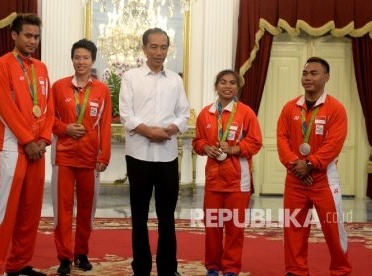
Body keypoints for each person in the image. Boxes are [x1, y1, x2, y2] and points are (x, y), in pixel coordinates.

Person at [0, 13, 53, 276]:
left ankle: (19, 264)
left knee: (31, 210)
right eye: (28, 35)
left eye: (36, 36)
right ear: (14, 35)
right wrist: (27, 140)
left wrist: (43, 139)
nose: (33, 41)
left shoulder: (41, 68)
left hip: (38, 150)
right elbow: (4, 107)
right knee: (5, 209)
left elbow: (48, 107)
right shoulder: (2, 65)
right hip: (13, 147)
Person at [119, 27, 190, 276]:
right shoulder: (130, 78)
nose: (159, 52)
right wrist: (150, 132)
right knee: (138, 216)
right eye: (154, 47)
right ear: (144, 48)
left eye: (163, 47)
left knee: (167, 217)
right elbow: (126, 115)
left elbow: (184, 113)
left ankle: (168, 269)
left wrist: (170, 129)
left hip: (167, 156)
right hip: (138, 155)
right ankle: (141, 268)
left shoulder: (175, 80)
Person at [277, 57, 352, 276]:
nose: (307, 77)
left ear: (326, 78)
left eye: (314, 73)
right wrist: (295, 165)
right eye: (305, 73)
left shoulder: (335, 109)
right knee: (293, 229)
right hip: (295, 179)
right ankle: (296, 271)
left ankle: (341, 270)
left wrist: (310, 164)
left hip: (324, 180)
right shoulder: (290, 107)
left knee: (333, 229)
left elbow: (334, 144)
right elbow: (282, 138)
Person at [192, 69, 262, 276]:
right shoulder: (206, 113)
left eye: (232, 83)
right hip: (214, 180)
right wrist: (206, 148)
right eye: (223, 82)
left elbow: (256, 142)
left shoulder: (246, 113)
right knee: (213, 227)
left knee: (234, 229)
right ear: (216, 86)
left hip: (238, 182)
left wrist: (234, 148)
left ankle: (231, 268)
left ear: (238, 87)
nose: (227, 86)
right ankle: (213, 266)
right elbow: (197, 142)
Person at [51, 39, 112, 275]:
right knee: (62, 209)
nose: (81, 62)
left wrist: (103, 156)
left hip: (89, 159)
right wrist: (65, 128)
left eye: (85, 57)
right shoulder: (59, 87)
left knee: (87, 209)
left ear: (93, 60)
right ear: (72, 59)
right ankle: (64, 257)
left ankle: (81, 253)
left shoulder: (102, 90)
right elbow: (49, 121)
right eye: (77, 57)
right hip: (64, 158)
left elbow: (104, 126)